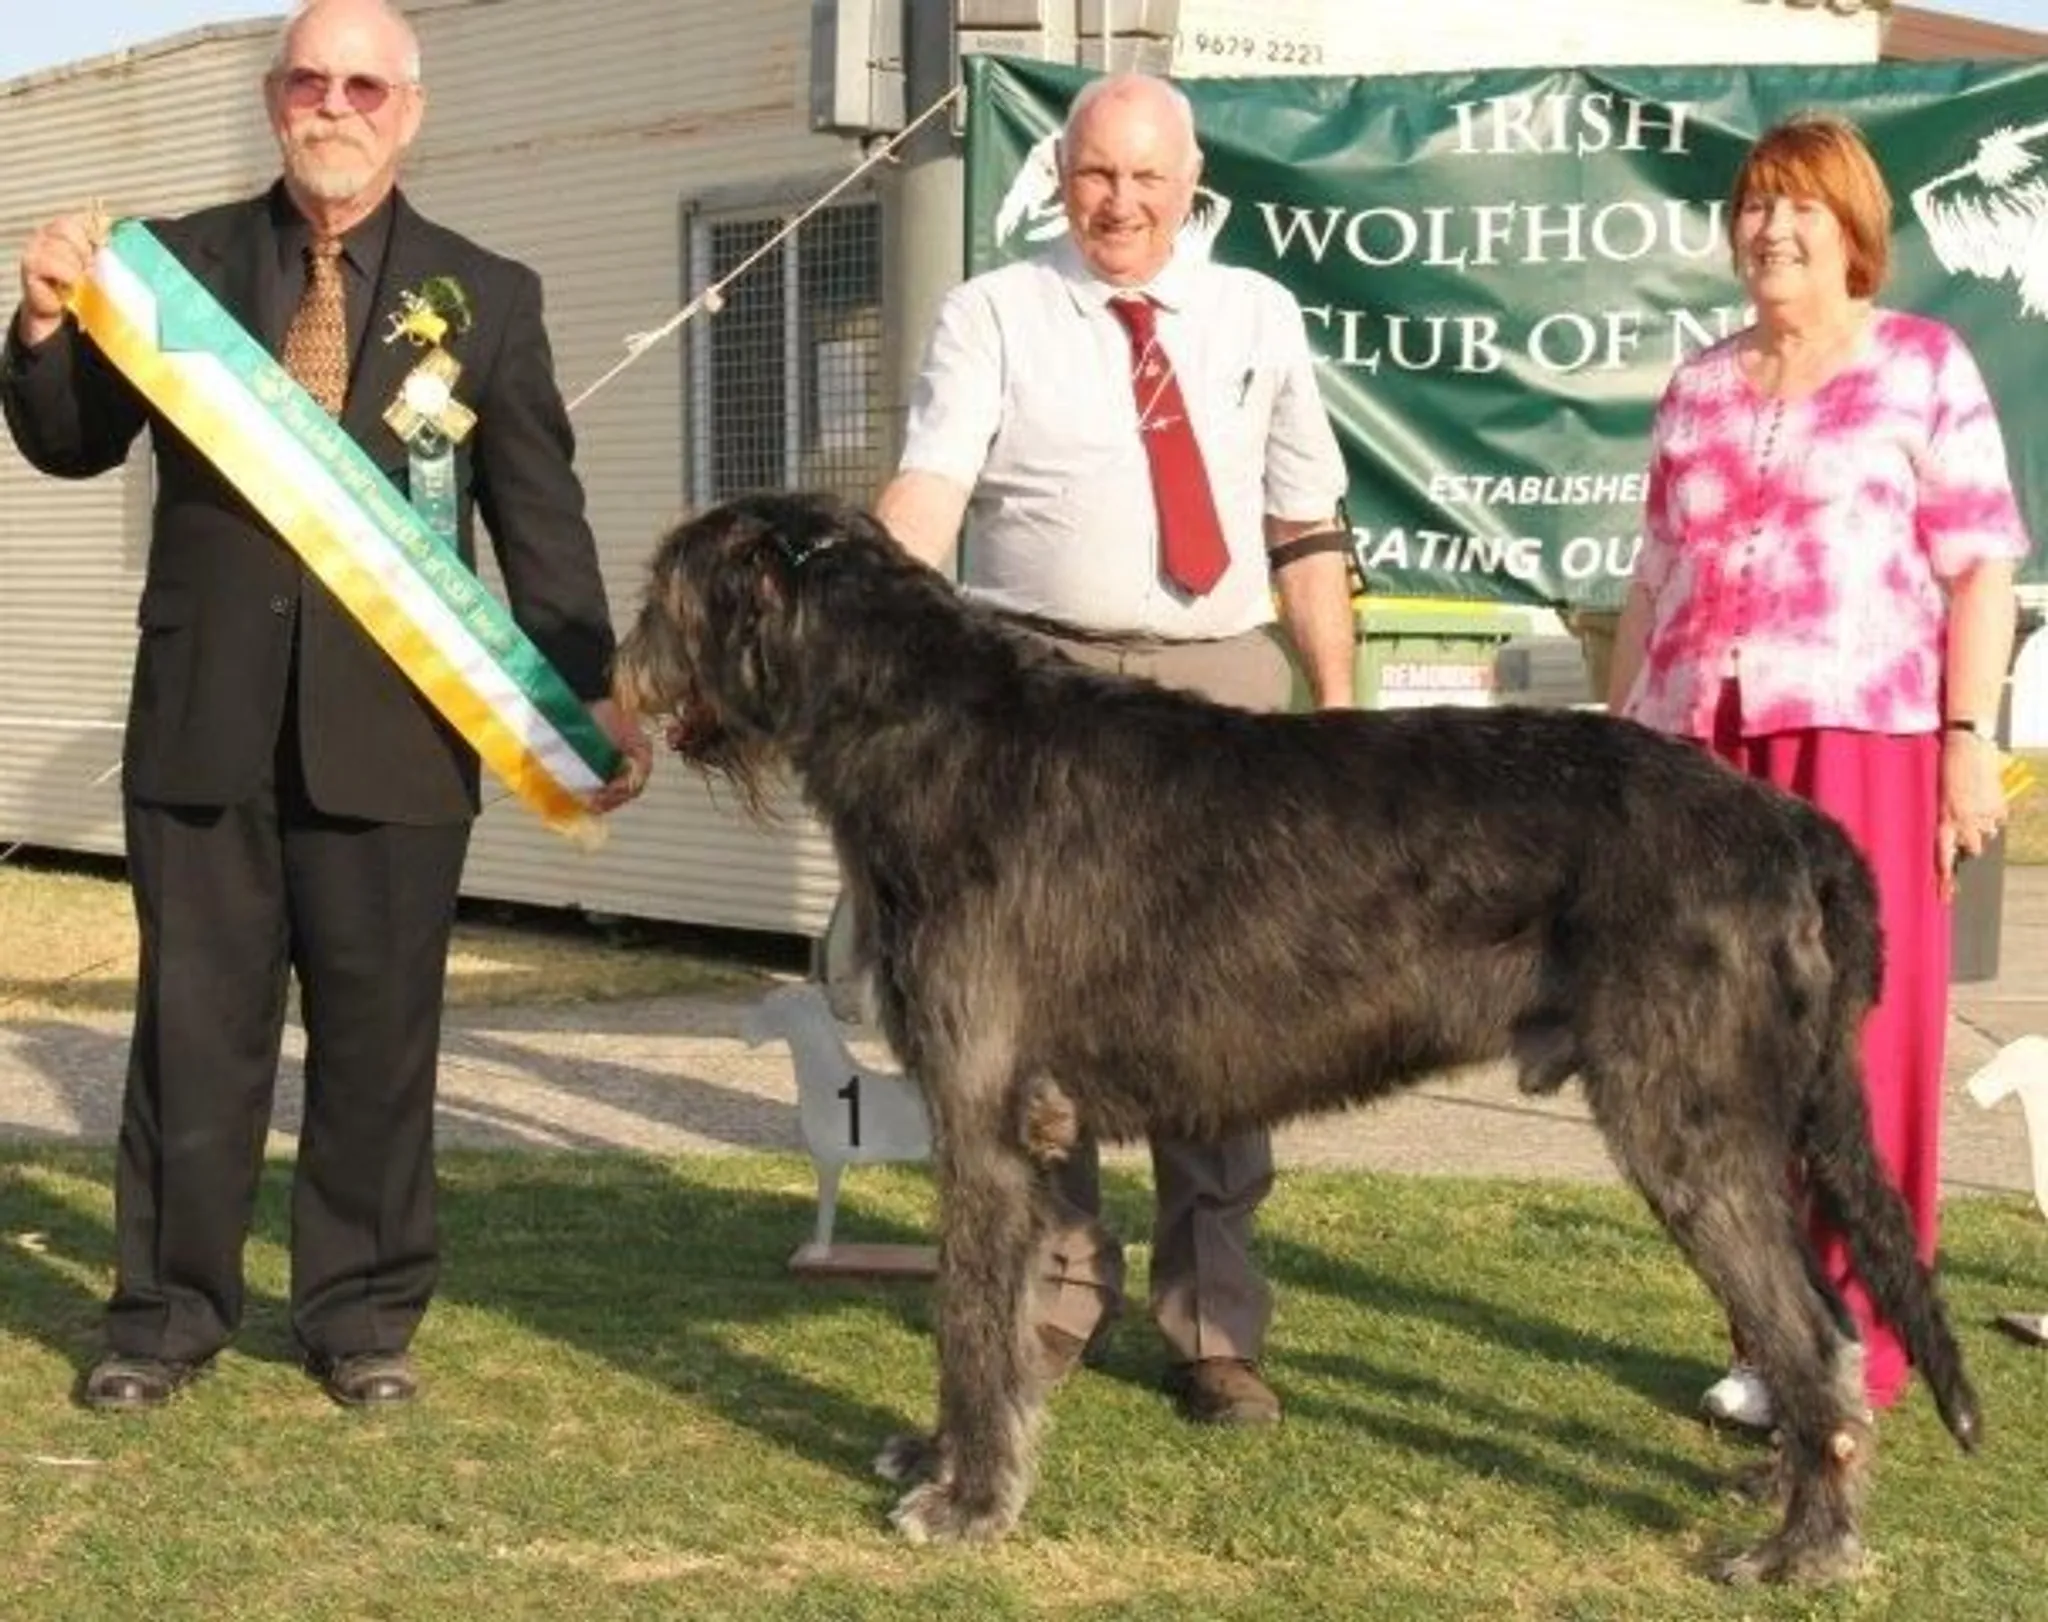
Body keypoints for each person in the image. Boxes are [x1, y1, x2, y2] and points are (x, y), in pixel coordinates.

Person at [1, 0, 648, 1411]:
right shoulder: (169, 269)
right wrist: (46, 320)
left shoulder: (491, 296)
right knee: (193, 1031)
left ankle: (359, 1317)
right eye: (309, 79)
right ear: (271, 99)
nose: (335, 104)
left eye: (365, 84)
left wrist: (592, 691)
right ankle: (164, 1316)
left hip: (400, 737)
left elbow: (541, 517)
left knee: (379, 1034)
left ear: (410, 110)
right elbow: (68, 438)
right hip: (204, 721)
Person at [873, 72, 1354, 1426]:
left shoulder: (1258, 312)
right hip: (1044, 696)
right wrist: (874, 594)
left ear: (1192, 184)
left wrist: (1337, 707)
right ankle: (1059, 1293)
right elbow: (931, 489)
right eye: (1096, 174)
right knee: (1043, 1021)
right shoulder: (994, 312)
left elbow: (1305, 518)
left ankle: (1215, 1327)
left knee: (1229, 1012)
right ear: (1060, 174)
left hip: (1222, 688)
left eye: (1148, 178)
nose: (1121, 202)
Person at [1608, 112, 2030, 1429]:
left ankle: (1865, 1336)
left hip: (1869, 741)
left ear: (1856, 233)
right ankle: (1768, 1327)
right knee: (1723, 1050)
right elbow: (1652, 578)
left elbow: (1981, 572)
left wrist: (1972, 746)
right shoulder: (1700, 385)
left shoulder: (1923, 368)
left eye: (1803, 207)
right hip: (1702, 758)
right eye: (1755, 205)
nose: (1773, 228)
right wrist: (1621, 744)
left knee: (1862, 1042)